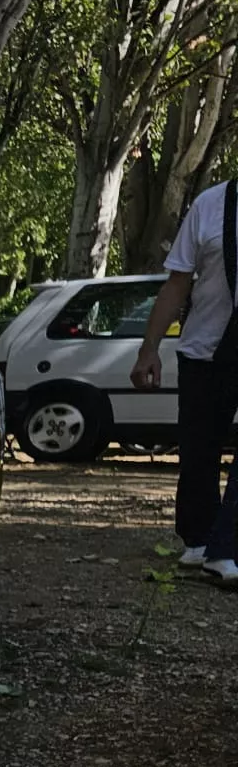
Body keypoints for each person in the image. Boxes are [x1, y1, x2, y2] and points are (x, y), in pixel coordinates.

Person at [132, 179, 238, 583]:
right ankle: (200, 541)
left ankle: (225, 548)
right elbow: (177, 284)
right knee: (199, 451)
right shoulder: (210, 205)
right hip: (205, 349)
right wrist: (149, 349)